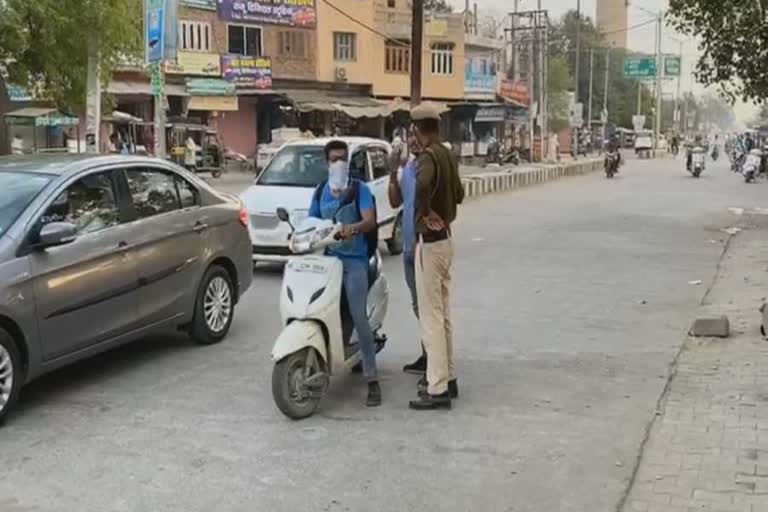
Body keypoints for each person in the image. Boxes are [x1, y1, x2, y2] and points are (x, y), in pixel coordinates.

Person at [308, 140, 382, 407]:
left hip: (355, 261)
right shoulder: (320, 192)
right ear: (327, 162)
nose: (338, 163)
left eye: (342, 159)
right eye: (333, 159)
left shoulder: (359, 189)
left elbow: (370, 219)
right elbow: (311, 223)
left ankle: (372, 380)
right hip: (328, 261)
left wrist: (353, 228)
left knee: (359, 316)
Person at [408, 104, 465, 411]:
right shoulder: (448, 155)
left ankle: (437, 388)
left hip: (430, 244)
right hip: (446, 242)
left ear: (418, 129)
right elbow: (459, 195)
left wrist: (427, 212)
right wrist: (442, 211)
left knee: (430, 317)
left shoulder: (428, 157)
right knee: (442, 315)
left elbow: (420, 186)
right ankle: (449, 377)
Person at [388, 126, 426, 375]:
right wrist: (393, 173)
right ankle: (427, 353)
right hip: (409, 250)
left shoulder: (432, 165)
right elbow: (395, 201)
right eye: (409, 135)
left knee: (430, 307)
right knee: (418, 306)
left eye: (417, 134)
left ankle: (436, 363)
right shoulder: (410, 168)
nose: (412, 140)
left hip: (426, 248)